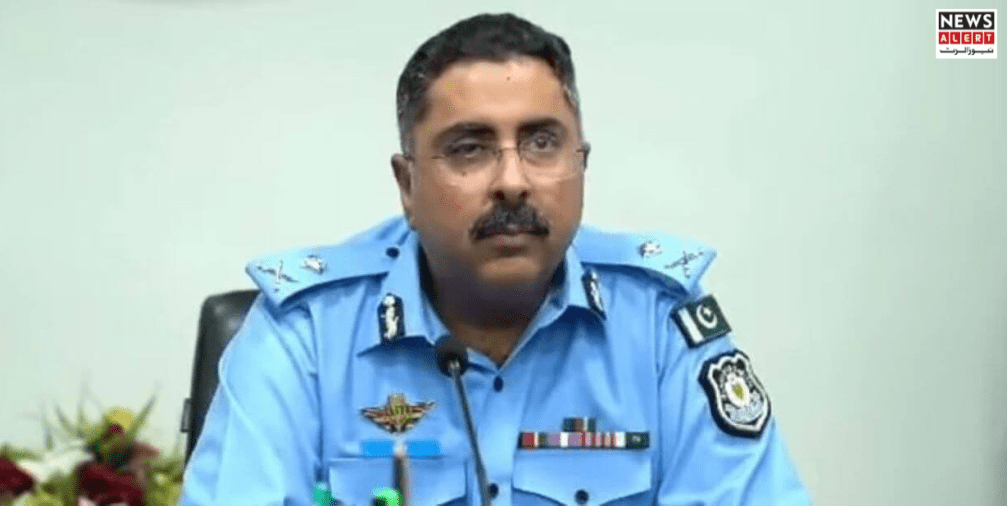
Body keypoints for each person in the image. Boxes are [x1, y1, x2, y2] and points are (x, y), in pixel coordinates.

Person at [181, 12, 811, 506]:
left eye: (541, 142)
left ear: (580, 166)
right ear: (408, 186)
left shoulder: (661, 321)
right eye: (470, 149)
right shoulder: (306, 334)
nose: (513, 180)